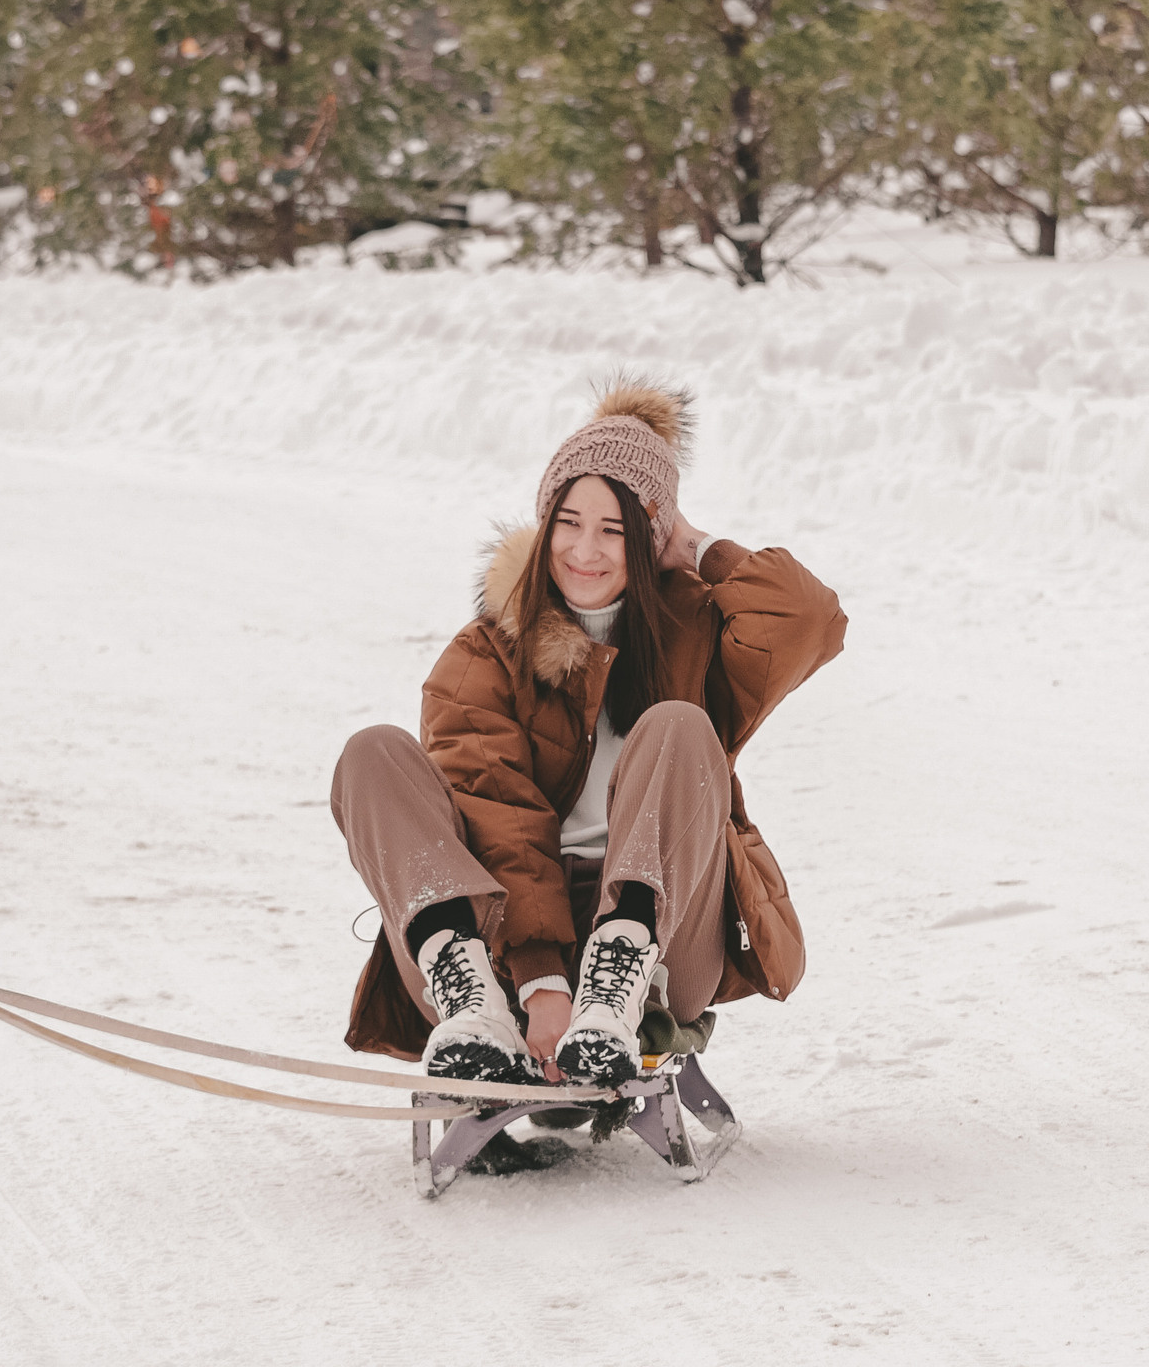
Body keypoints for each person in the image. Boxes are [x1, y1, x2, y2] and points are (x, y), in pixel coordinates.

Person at [330, 379, 846, 1091]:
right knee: (372, 754)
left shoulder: (694, 634)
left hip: (665, 944)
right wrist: (539, 980)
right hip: (502, 942)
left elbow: (809, 619)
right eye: (569, 522)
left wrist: (696, 547)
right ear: (545, 526)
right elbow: (498, 816)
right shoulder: (487, 652)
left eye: (614, 528)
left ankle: (617, 977)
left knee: (677, 725)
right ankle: (471, 1000)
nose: (586, 550)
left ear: (648, 535)